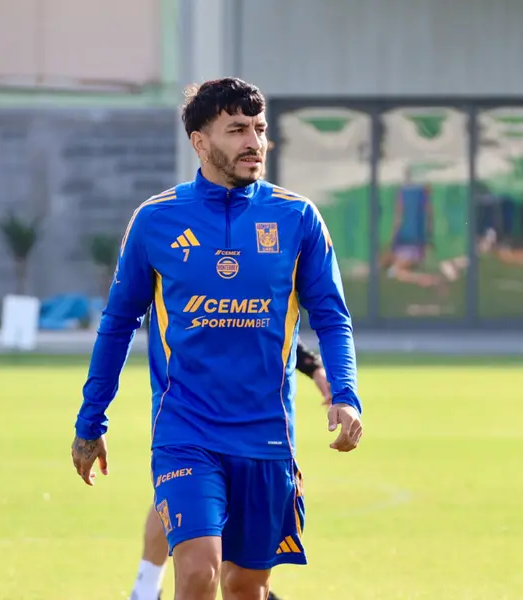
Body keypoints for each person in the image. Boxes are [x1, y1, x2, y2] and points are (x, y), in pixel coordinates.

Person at [71, 77, 363, 600]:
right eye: (237, 130)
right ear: (200, 142)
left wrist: (344, 393)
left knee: (245, 586)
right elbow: (116, 327)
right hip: (187, 431)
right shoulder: (156, 220)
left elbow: (332, 317)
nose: (254, 142)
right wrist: (90, 421)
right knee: (198, 573)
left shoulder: (297, 218)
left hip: (267, 437)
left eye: (260, 129)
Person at [128, 340, 332, 600]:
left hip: (245, 416)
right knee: (187, 500)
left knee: (212, 530)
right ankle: (145, 589)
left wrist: (312, 365)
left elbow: (265, 315)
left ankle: (149, 588)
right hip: (191, 411)